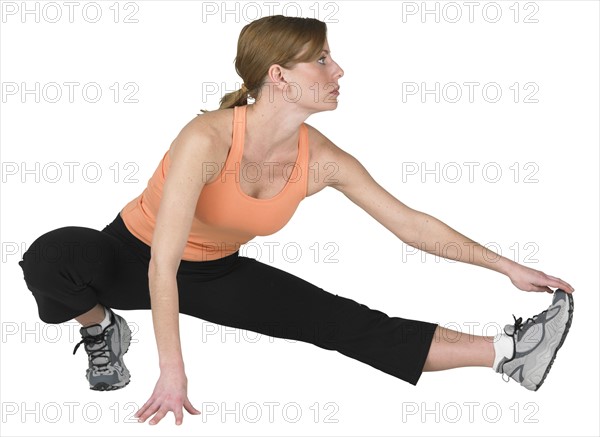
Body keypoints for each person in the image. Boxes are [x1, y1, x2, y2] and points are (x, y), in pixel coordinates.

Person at [18, 15, 574, 426]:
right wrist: (172, 370)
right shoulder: (207, 138)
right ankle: (101, 325)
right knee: (52, 257)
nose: (339, 71)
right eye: (323, 60)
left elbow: (412, 226)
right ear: (279, 76)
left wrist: (507, 267)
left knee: (337, 321)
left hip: (215, 272)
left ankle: (508, 354)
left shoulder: (323, 159)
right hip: (129, 255)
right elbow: (161, 262)